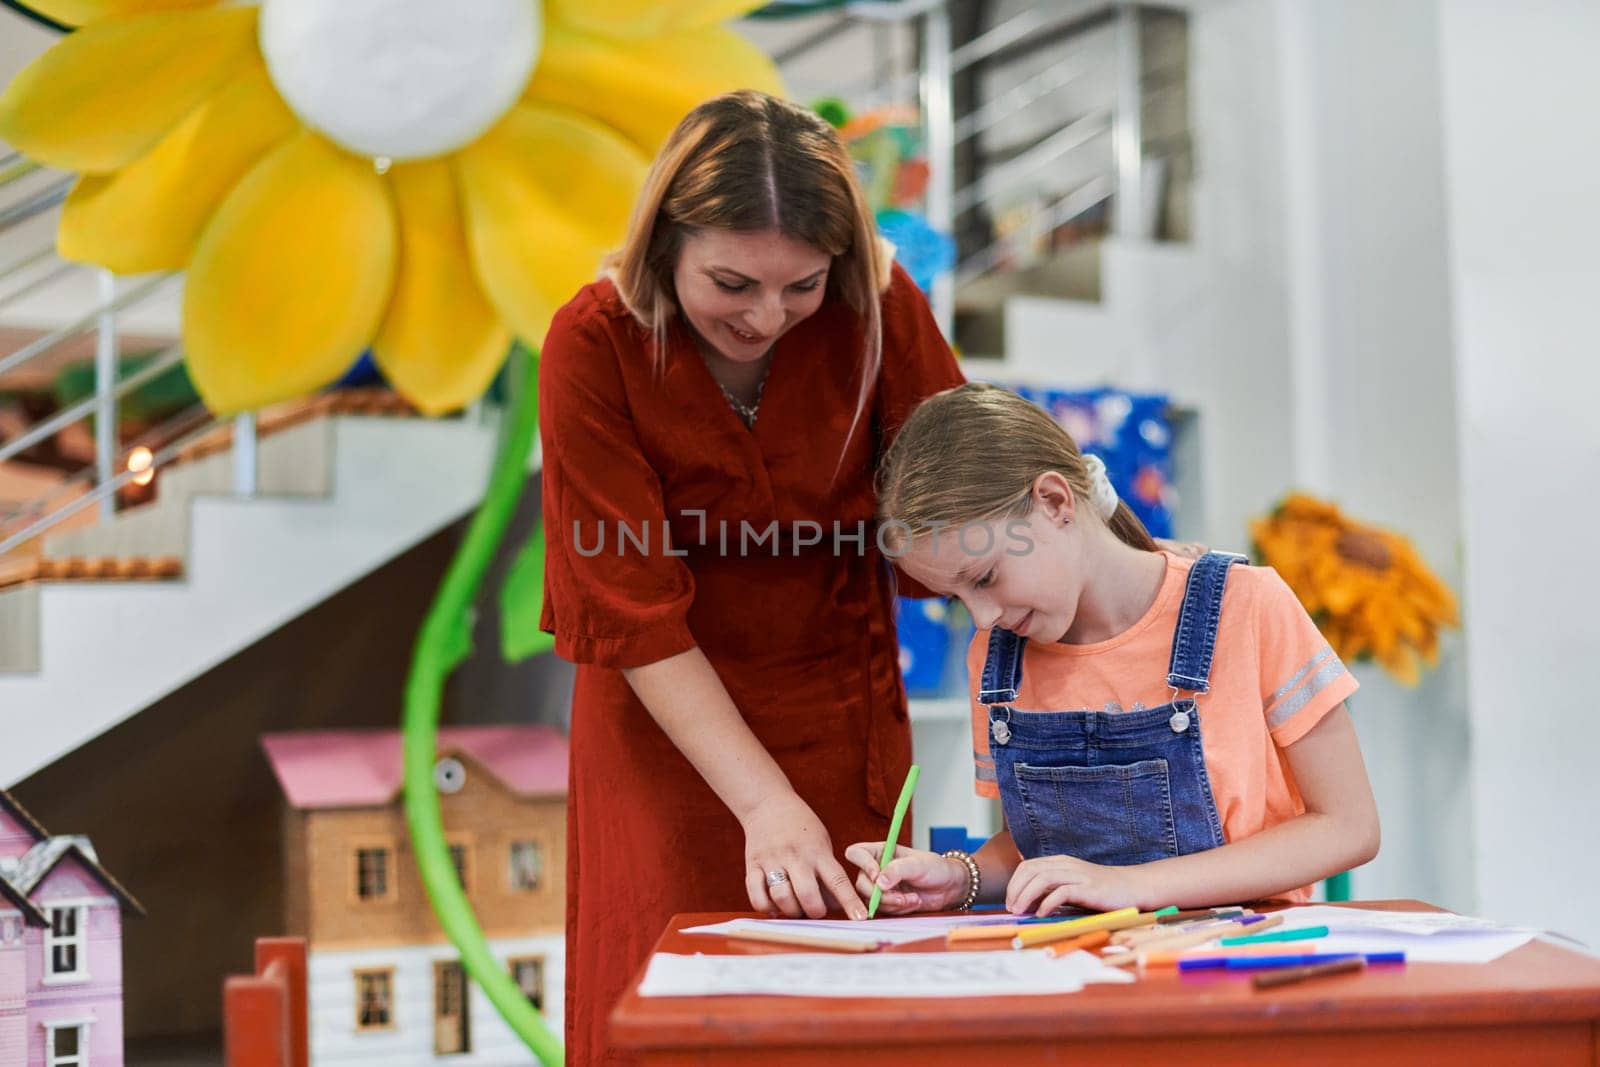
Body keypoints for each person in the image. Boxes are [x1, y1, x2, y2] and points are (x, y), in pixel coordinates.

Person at [537, 90, 964, 1063]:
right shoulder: (592, 343)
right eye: (731, 282)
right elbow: (629, 607)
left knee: (849, 1017)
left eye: (801, 286)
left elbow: (968, 496)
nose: (766, 316)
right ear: (663, 246)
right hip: (665, 736)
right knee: (665, 998)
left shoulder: (879, 307)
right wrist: (764, 804)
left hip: (842, 715)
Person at [846, 382, 1381, 917]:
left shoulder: (1248, 607)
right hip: (1078, 967)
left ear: (1055, 502)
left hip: (1234, 963)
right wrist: (960, 876)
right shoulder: (996, 656)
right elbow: (1039, 848)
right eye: (957, 598)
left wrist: (1137, 885)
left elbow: (1348, 827)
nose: (983, 617)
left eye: (985, 577)